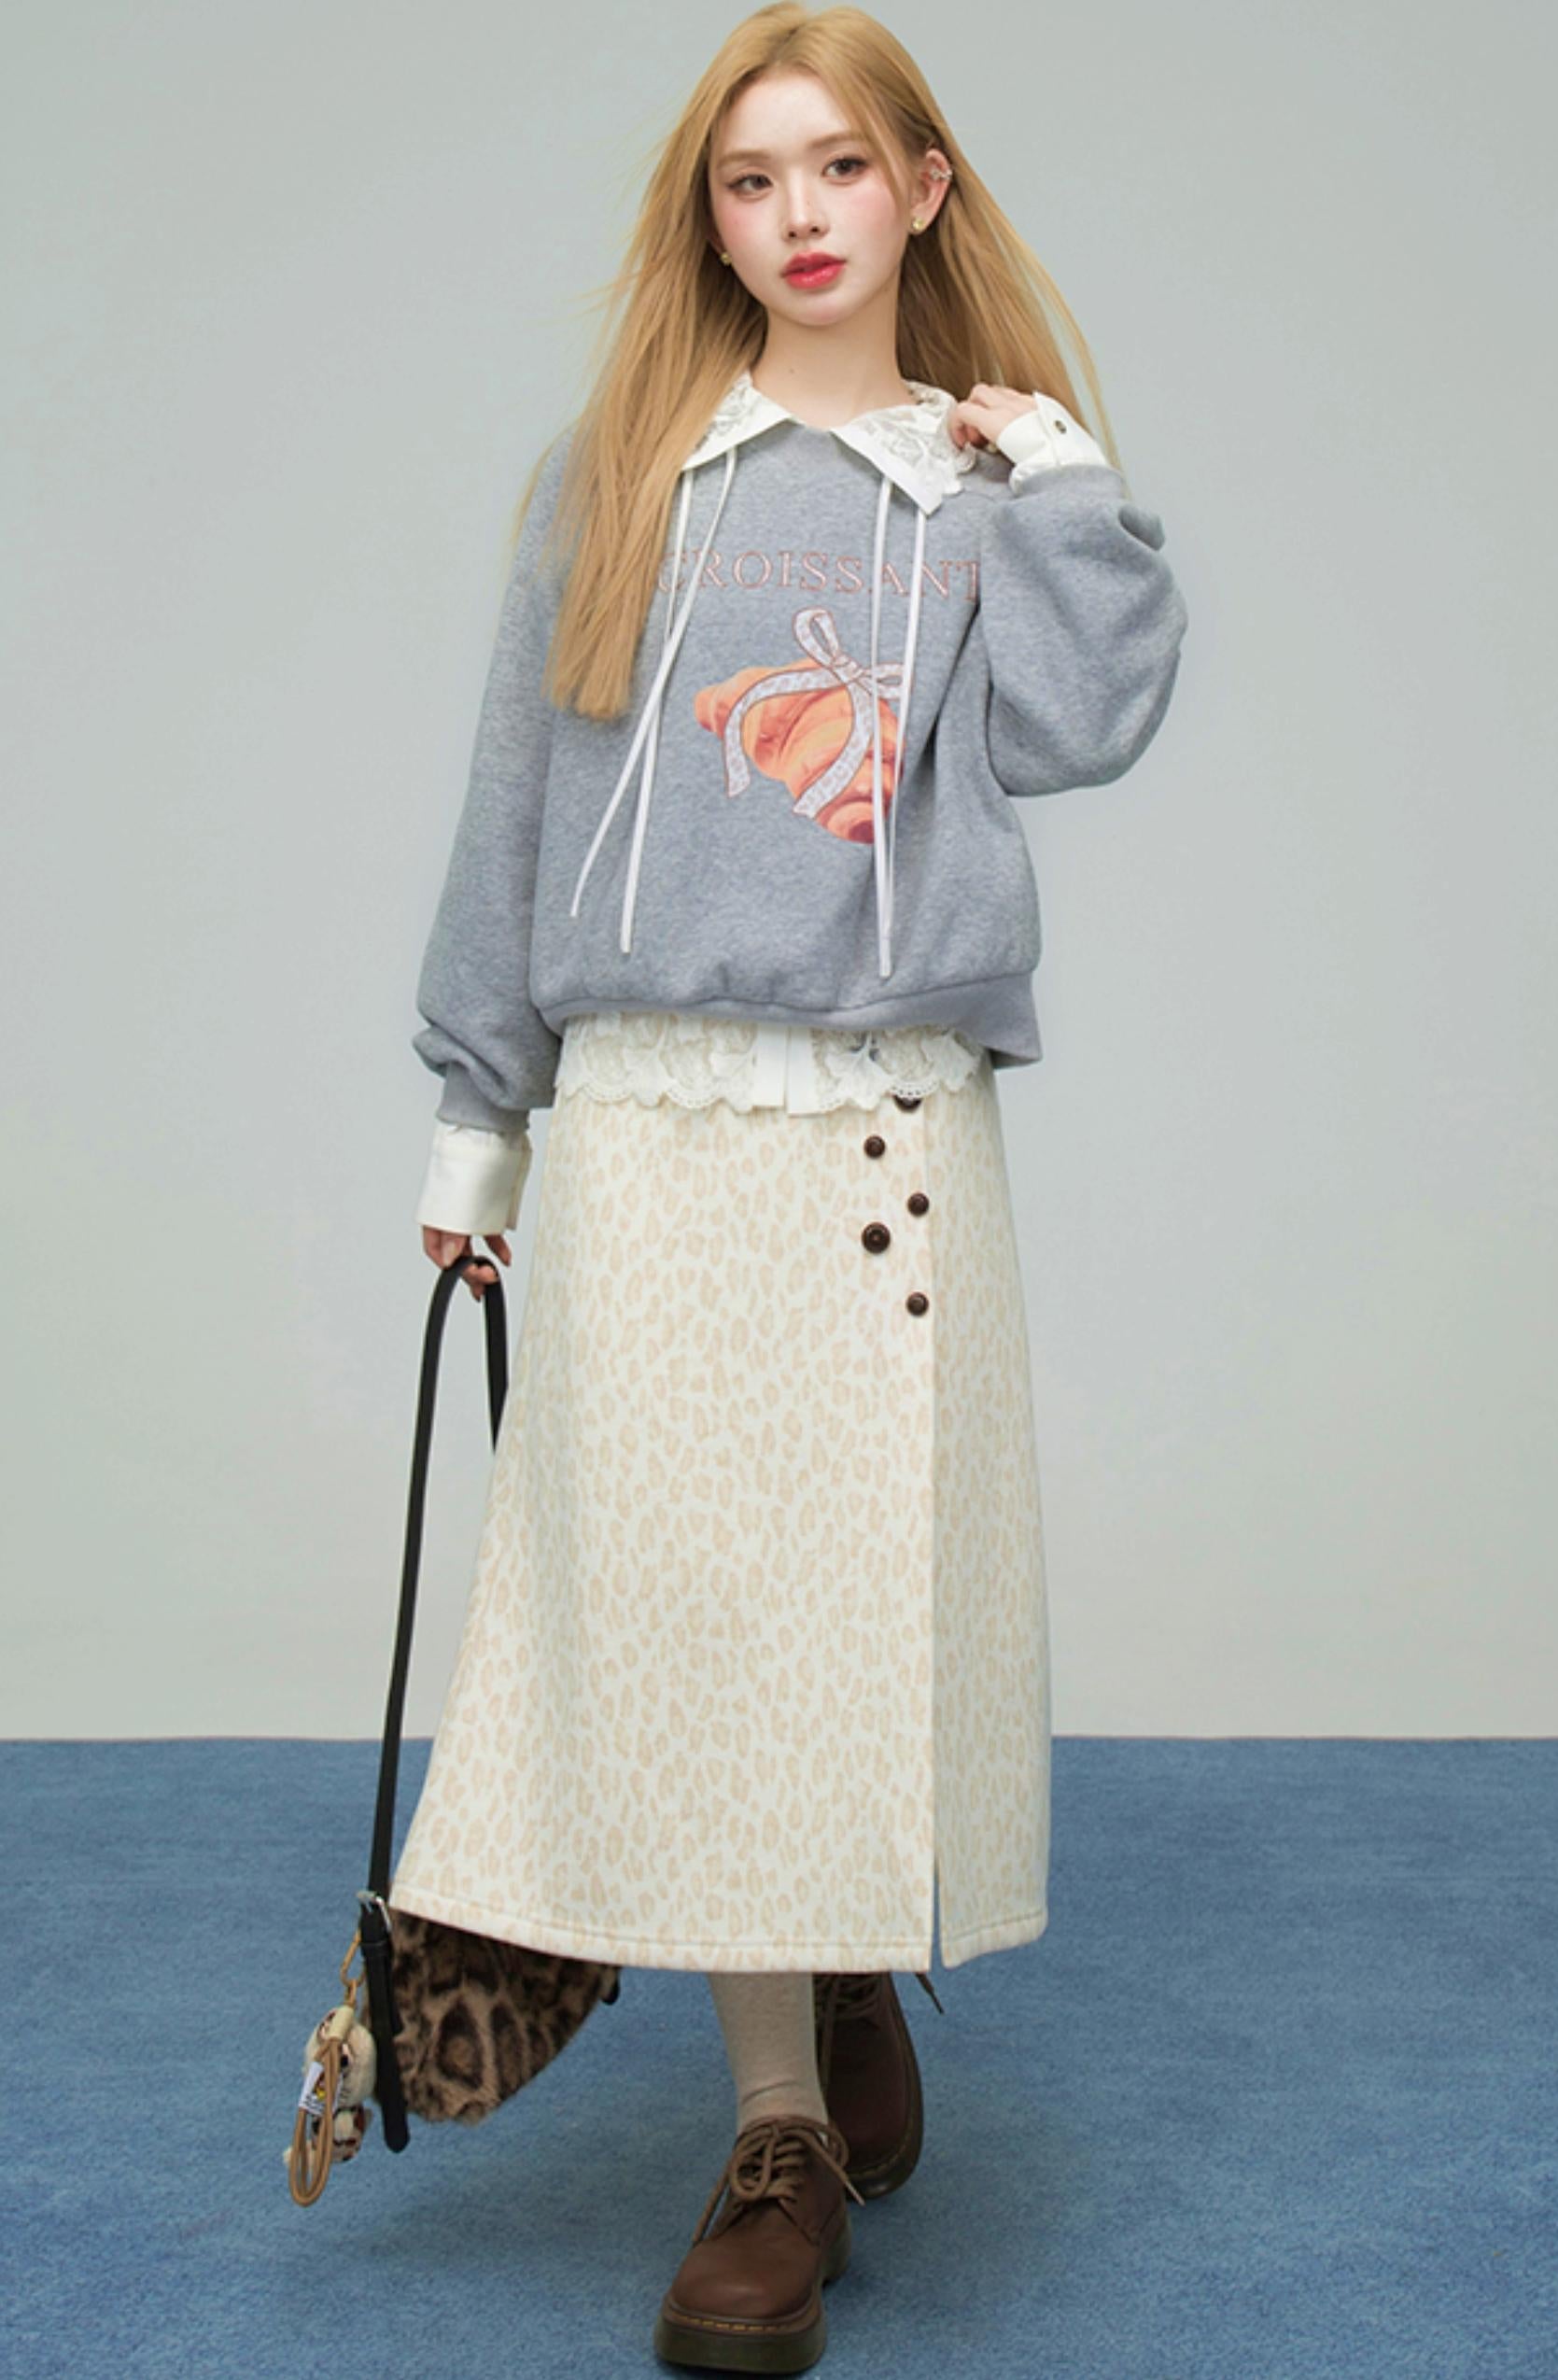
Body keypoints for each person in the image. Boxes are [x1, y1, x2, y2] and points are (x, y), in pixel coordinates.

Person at [393, 5, 1188, 2368]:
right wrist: (478, 1116)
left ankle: (838, 1959)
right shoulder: (620, 474)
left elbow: (1082, 725)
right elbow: (517, 800)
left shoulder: (979, 489)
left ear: (922, 187)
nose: (799, 214)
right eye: (752, 180)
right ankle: (778, 2133)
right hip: (651, 1123)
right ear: (711, 221)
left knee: (865, 1596)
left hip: (882, 1128)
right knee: (704, 1612)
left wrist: (1061, 482)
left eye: (840, 166)